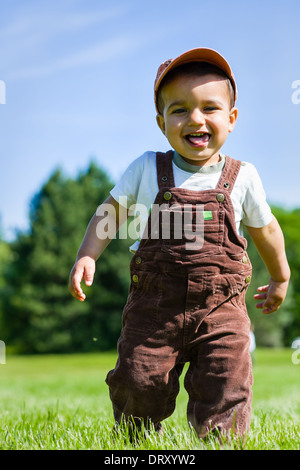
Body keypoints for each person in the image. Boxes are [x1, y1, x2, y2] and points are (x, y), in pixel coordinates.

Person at [68, 48, 290, 440]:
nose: (196, 119)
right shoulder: (146, 168)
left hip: (222, 312)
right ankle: (134, 440)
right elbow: (110, 213)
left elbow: (267, 229)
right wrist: (88, 254)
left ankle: (222, 441)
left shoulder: (244, 177)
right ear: (161, 122)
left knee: (227, 381)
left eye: (210, 107)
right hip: (154, 312)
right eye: (180, 109)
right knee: (138, 380)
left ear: (232, 118)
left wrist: (280, 277)